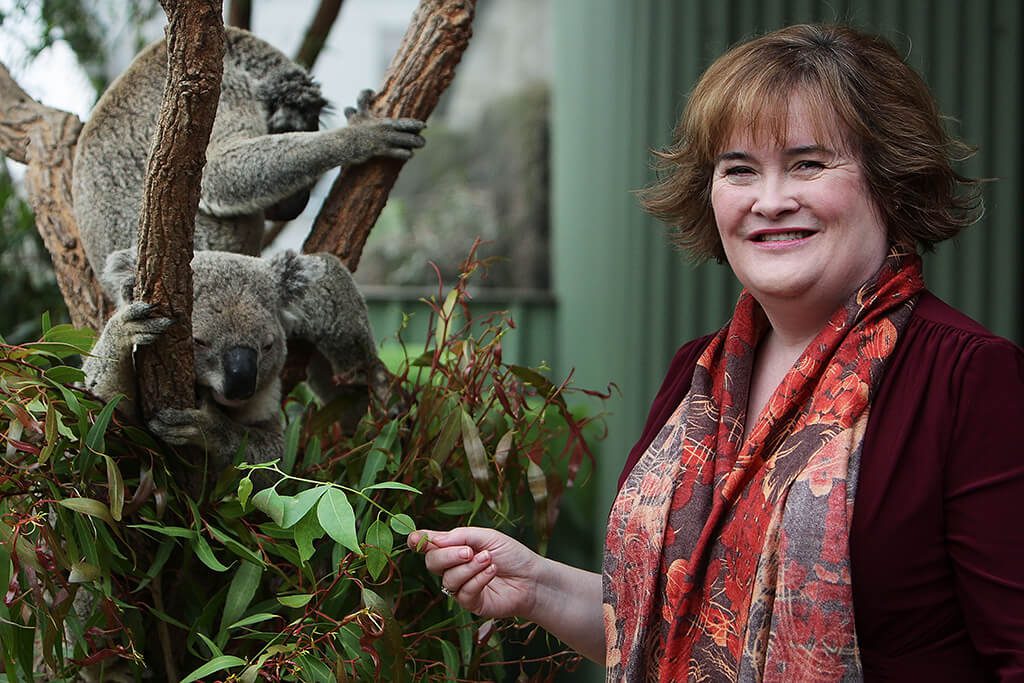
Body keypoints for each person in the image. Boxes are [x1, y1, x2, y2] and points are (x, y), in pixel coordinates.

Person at [408, 23, 1024, 681]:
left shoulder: (968, 377)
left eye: (808, 163)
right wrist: (536, 586)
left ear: (889, 178)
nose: (770, 200)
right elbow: (669, 631)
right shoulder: (697, 376)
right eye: (739, 169)